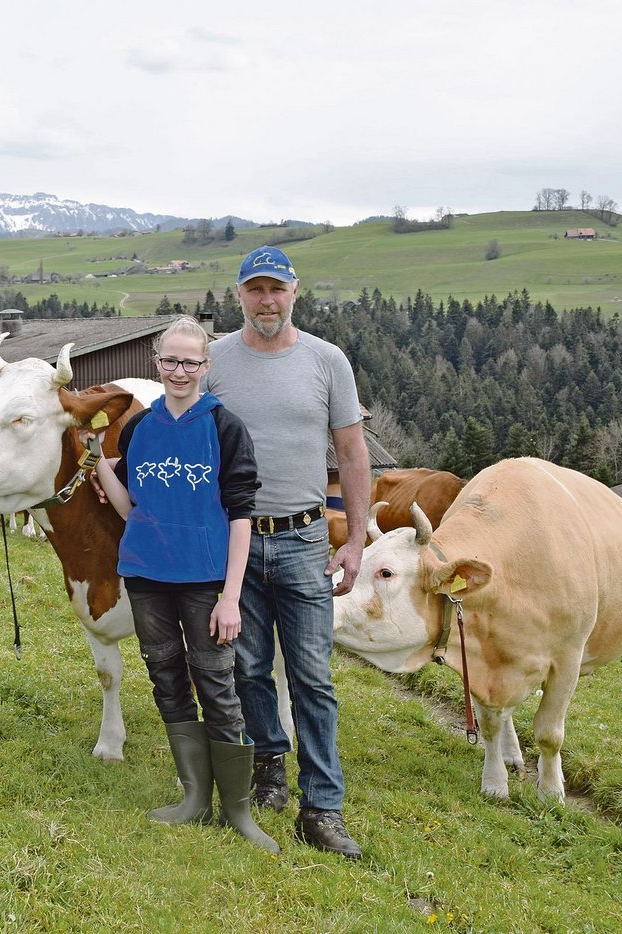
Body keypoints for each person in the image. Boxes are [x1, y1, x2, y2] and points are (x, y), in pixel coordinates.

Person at [201, 245, 371, 860]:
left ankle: (322, 807)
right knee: (246, 669)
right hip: (235, 540)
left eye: (276, 289)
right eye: (255, 290)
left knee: (312, 678)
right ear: (239, 294)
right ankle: (269, 769)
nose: (266, 300)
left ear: (295, 291)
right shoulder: (213, 362)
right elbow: (186, 435)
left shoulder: (328, 362)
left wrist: (354, 538)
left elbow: (352, 454)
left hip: (303, 540)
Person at [88, 316, 276, 852]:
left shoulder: (224, 427)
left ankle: (237, 810)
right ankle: (194, 797)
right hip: (146, 576)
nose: (179, 370)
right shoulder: (140, 429)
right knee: (166, 678)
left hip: (205, 580)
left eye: (191, 361)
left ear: (206, 367)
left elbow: (241, 516)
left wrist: (232, 596)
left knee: (216, 683)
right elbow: (130, 508)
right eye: (170, 360)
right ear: (157, 362)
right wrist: (100, 462)